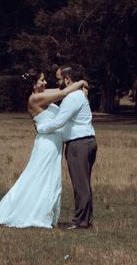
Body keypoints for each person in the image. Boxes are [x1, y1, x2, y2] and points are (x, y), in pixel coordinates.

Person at [0, 72, 88, 228]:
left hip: (53, 145)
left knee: (50, 179)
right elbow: (64, 92)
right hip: (46, 145)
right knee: (37, 177)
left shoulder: (42, 93)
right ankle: (30, 212)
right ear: (34, 84)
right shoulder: (35, 98)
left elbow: (64, 89)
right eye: (42, 80)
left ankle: (44, 212)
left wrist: (81, 89)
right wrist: (80, 82)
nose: (45, 82)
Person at [36, 66, 97, 229]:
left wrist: (40, 129)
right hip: (88, 141)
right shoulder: (78, 95)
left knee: (80, 184)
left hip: (79, 144)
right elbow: (57, 92)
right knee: (84, 182)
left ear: (68, 79)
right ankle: (85, 219)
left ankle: (81, 222)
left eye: (59, 79)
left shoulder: (72, 98)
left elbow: (59, 122)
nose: (57, 82)